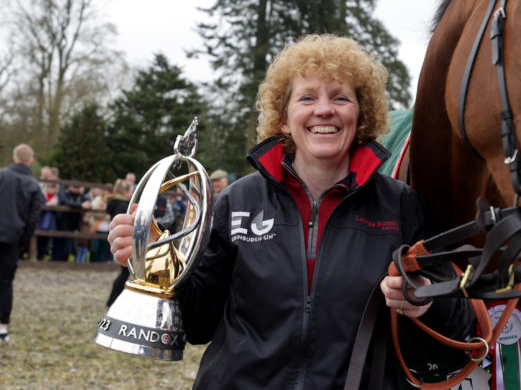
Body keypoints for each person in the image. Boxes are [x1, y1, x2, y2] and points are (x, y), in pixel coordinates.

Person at [109, 34, 473, 388]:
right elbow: (199, 322)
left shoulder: (403, 207)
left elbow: (460, 325)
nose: (324, 109)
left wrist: (424, 302)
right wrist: (154, 260)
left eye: (341, 97)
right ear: (284, 118)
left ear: (361, 116)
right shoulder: (237, 201)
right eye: (307, 97)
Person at [0, 144, 44, 342]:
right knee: (5, 282)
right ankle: (2, 327)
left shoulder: (1, 176)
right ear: (31, 161)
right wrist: (24, 244)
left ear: (14, 158)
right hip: (13, 239)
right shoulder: (33, 186)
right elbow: (32, 219)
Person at [105, 179, 132, 307]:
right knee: (124, 273)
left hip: (119, 239)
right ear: (126, 191)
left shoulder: (114, 204)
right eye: (131, 191)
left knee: (124, 273)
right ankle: (113, 300)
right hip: (124, 240)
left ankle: (113, 300)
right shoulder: (123, 205)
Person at [50, 184, 91, 261]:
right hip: (62, 225)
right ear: (69, 187)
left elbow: (88, 203)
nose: (76, 189)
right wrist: (81, 205)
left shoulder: (81, 196)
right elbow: (67, 203)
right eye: (75, 187)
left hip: (72, 226)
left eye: (78, 187)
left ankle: (61, 262)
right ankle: (54, 261)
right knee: (58, 246)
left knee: (67, 249)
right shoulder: (64, 194)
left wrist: (86, 203)